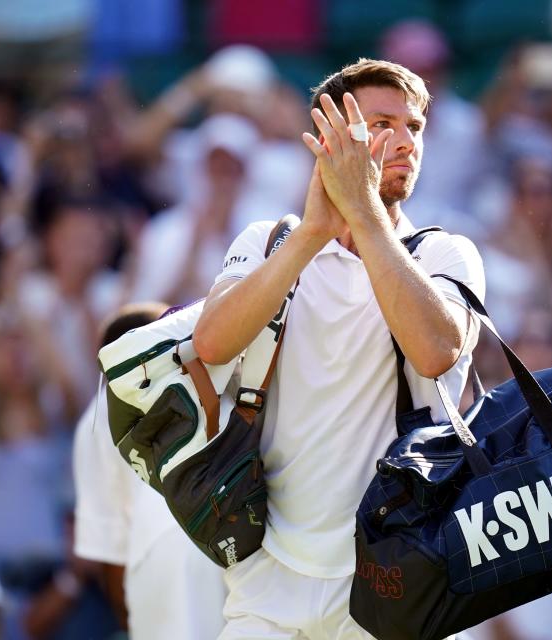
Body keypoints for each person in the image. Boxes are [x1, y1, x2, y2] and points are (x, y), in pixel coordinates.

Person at [192, 58, 485, 638]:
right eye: (383, 124)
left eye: (415, 128)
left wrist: (365, 213)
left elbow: (436, 352)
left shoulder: (445, 254)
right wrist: (309, 236)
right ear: (329, 138)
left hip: (397, 581)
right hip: (268, 582)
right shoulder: (269, 240)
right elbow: (212, 342)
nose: (405, 142)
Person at [73, 302, 225, 639]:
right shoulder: (203, 377)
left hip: (161, 551)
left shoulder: (97, 415)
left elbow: (111, 548)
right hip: (230, 531)